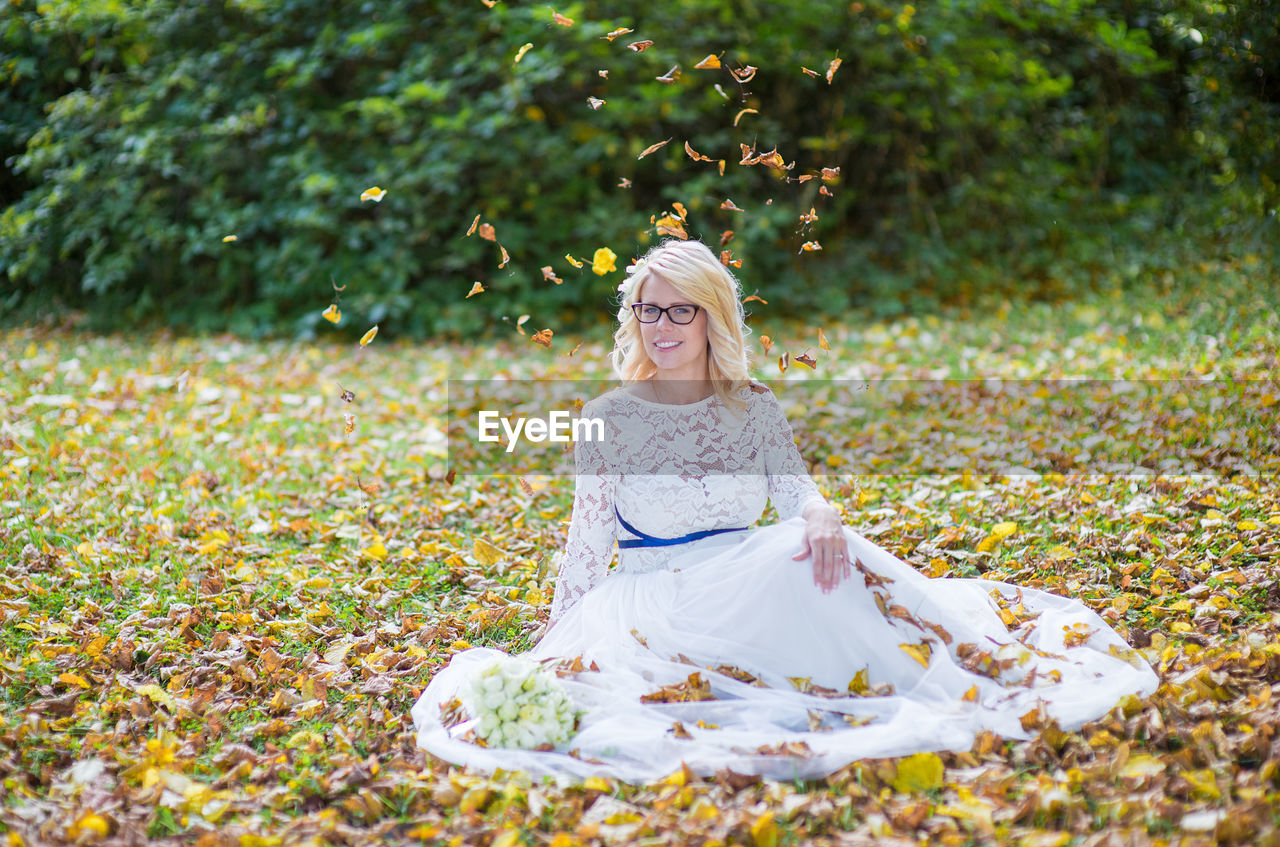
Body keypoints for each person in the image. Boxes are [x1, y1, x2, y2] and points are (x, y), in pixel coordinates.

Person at [410, 239, 1158, 782]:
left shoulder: (754, 407)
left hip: (742, 574)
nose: (662, 326)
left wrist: (824, 513)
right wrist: (554, 643)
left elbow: (796, 491)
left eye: (680, 310)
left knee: (821, 550)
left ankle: (948, 669)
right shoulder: (610, 415)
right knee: (776, 588)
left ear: (711, 319)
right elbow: (584, 547)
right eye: (648, 310)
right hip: (656, 598)